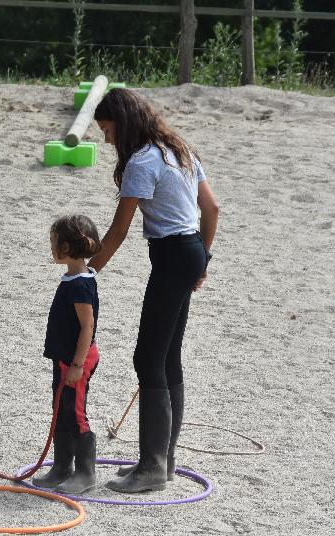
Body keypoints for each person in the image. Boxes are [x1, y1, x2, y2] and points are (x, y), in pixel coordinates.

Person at [88, 88, 219, 493]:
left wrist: (88, 271)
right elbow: (212, 209)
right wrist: (204, 259)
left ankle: (152, 467)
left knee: (147, 357)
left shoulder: (142, 161)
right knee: (167, 357)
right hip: (191, 250)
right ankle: (164, 460)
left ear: (122, 124)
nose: (107, 139)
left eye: (108, 130)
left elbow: (119, 229)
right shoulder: (178, 151)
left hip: (172, 255)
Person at [33, 215, 102, 495]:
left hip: (77, 361)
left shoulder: (81, 284)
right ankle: (62, 466)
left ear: (68, 246)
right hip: (63, 359)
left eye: (54, 242)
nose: (51, 247)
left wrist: (76, 364)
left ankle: (86, 472)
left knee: (75, 413)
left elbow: (88, 326)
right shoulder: (72, 278)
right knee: (60, 409)